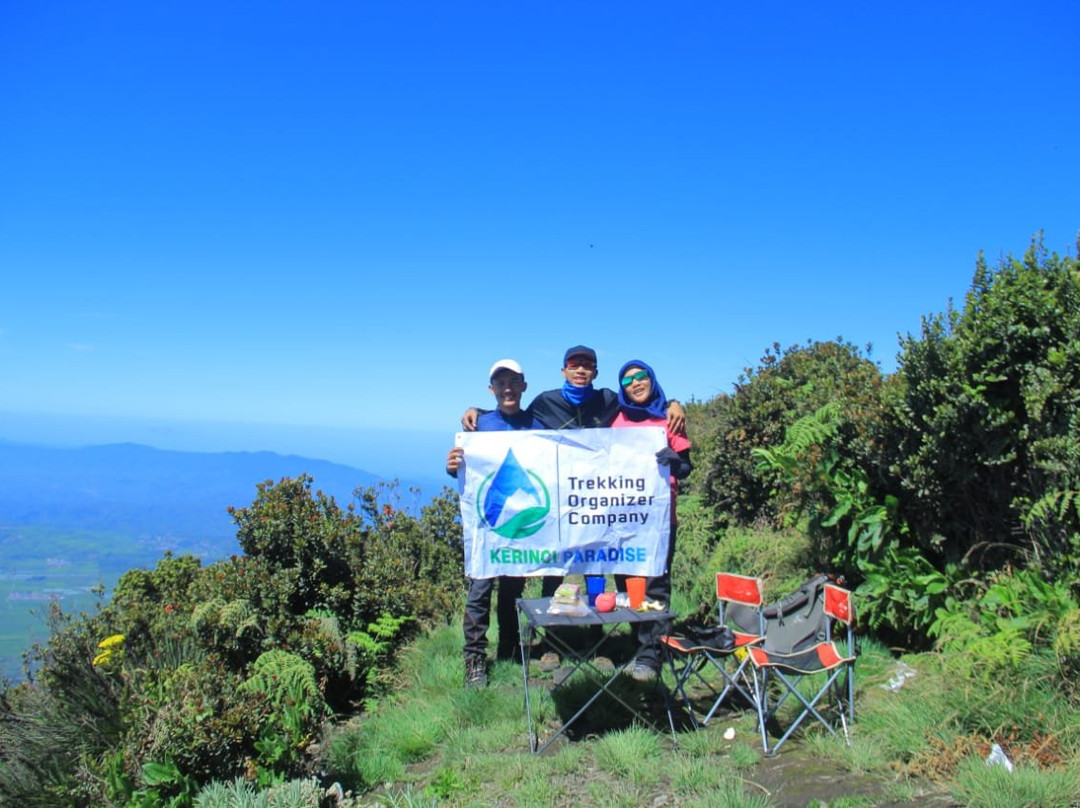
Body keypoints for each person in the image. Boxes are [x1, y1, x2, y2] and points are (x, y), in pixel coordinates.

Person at [446, 359, 543, 687]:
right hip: (487, 524)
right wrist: (452, 465)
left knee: (513, 586)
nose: (508, 388)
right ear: (492, 390)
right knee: (481, 587)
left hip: (519, 524)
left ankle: (509, 649)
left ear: (524, 386)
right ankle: (474, 659)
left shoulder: (538, 423)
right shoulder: (479, 425)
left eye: (514, 381)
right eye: (501, 383)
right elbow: (464, 468)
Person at [611, 359, 692, 682]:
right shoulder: (615, 418)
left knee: (656, 582)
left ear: (652, 379)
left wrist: (674, 462)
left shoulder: (669, 418)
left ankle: (652, 655)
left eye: (641, 376)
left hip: (659, 516)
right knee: (629, 583)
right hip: (622, 515)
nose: (636, 383)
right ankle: (638, 645)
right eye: (628, 380)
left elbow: (686, 467)